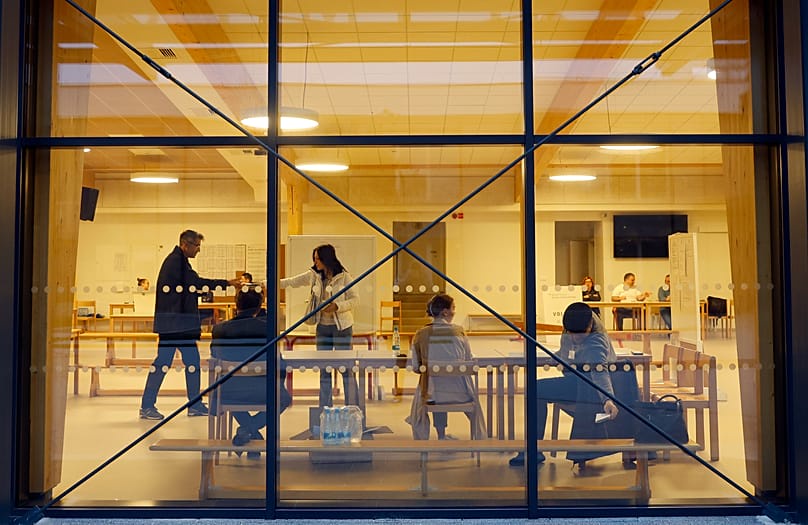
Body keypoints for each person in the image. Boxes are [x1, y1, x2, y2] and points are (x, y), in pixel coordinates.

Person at [139, 230, 240, 420]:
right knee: (165, 363)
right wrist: (226, 283)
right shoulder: (176, 262)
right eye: (197, 246)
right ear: (185, 244)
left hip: (176, 324)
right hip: (175, 325)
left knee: (186, 362)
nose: (198, 250)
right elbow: (197, 283)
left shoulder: (179, 261)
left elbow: (190, 287)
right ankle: (148, 405)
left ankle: (192, 404)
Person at [509, 302, 619, 467]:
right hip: (576, 378)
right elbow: (568, 351)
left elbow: (599, 371)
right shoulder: (574, 323)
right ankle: (534, 447)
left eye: (579, 335)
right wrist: (557, 356)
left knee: (537, 390)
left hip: (589, 386)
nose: (574, 338)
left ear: (590, 326)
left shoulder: (597, 342)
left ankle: (533, 450)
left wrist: (607, 399)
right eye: (570, 333)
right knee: (535, 389)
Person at [211, 286, 291, 457]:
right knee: (283, 398)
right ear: (259, 307)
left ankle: (247, 430)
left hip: (229, 391)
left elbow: (215, 357)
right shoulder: (269, 328)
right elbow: (280, 363)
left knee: (226, 387)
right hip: (263, 390)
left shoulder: (220, 329)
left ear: (236, 304)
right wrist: (278, 385)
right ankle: (250, 430)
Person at [280, 244, 360, 407]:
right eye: (314, 259)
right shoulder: (313, 275)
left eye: (318, 259)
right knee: (324, 369)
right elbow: (292, 282)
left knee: (346, 368)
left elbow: (355, 299)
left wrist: (337, 306)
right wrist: (262, 284)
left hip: (342, 328)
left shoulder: (344, 277)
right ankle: (325, 408)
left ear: (327, 259)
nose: (315, 262)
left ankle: (353, 408)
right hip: (322, 328)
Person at [407, 294, 486, 440]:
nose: (455, 311)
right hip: (462, 394)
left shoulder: (421, 334)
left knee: (433, 383)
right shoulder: (459, 331)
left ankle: (440, 437)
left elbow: (416, 367)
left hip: (432, 396)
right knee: (443, 382)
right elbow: (468, 361)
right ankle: (478, 439)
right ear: (445, 312)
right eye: (453, 308)